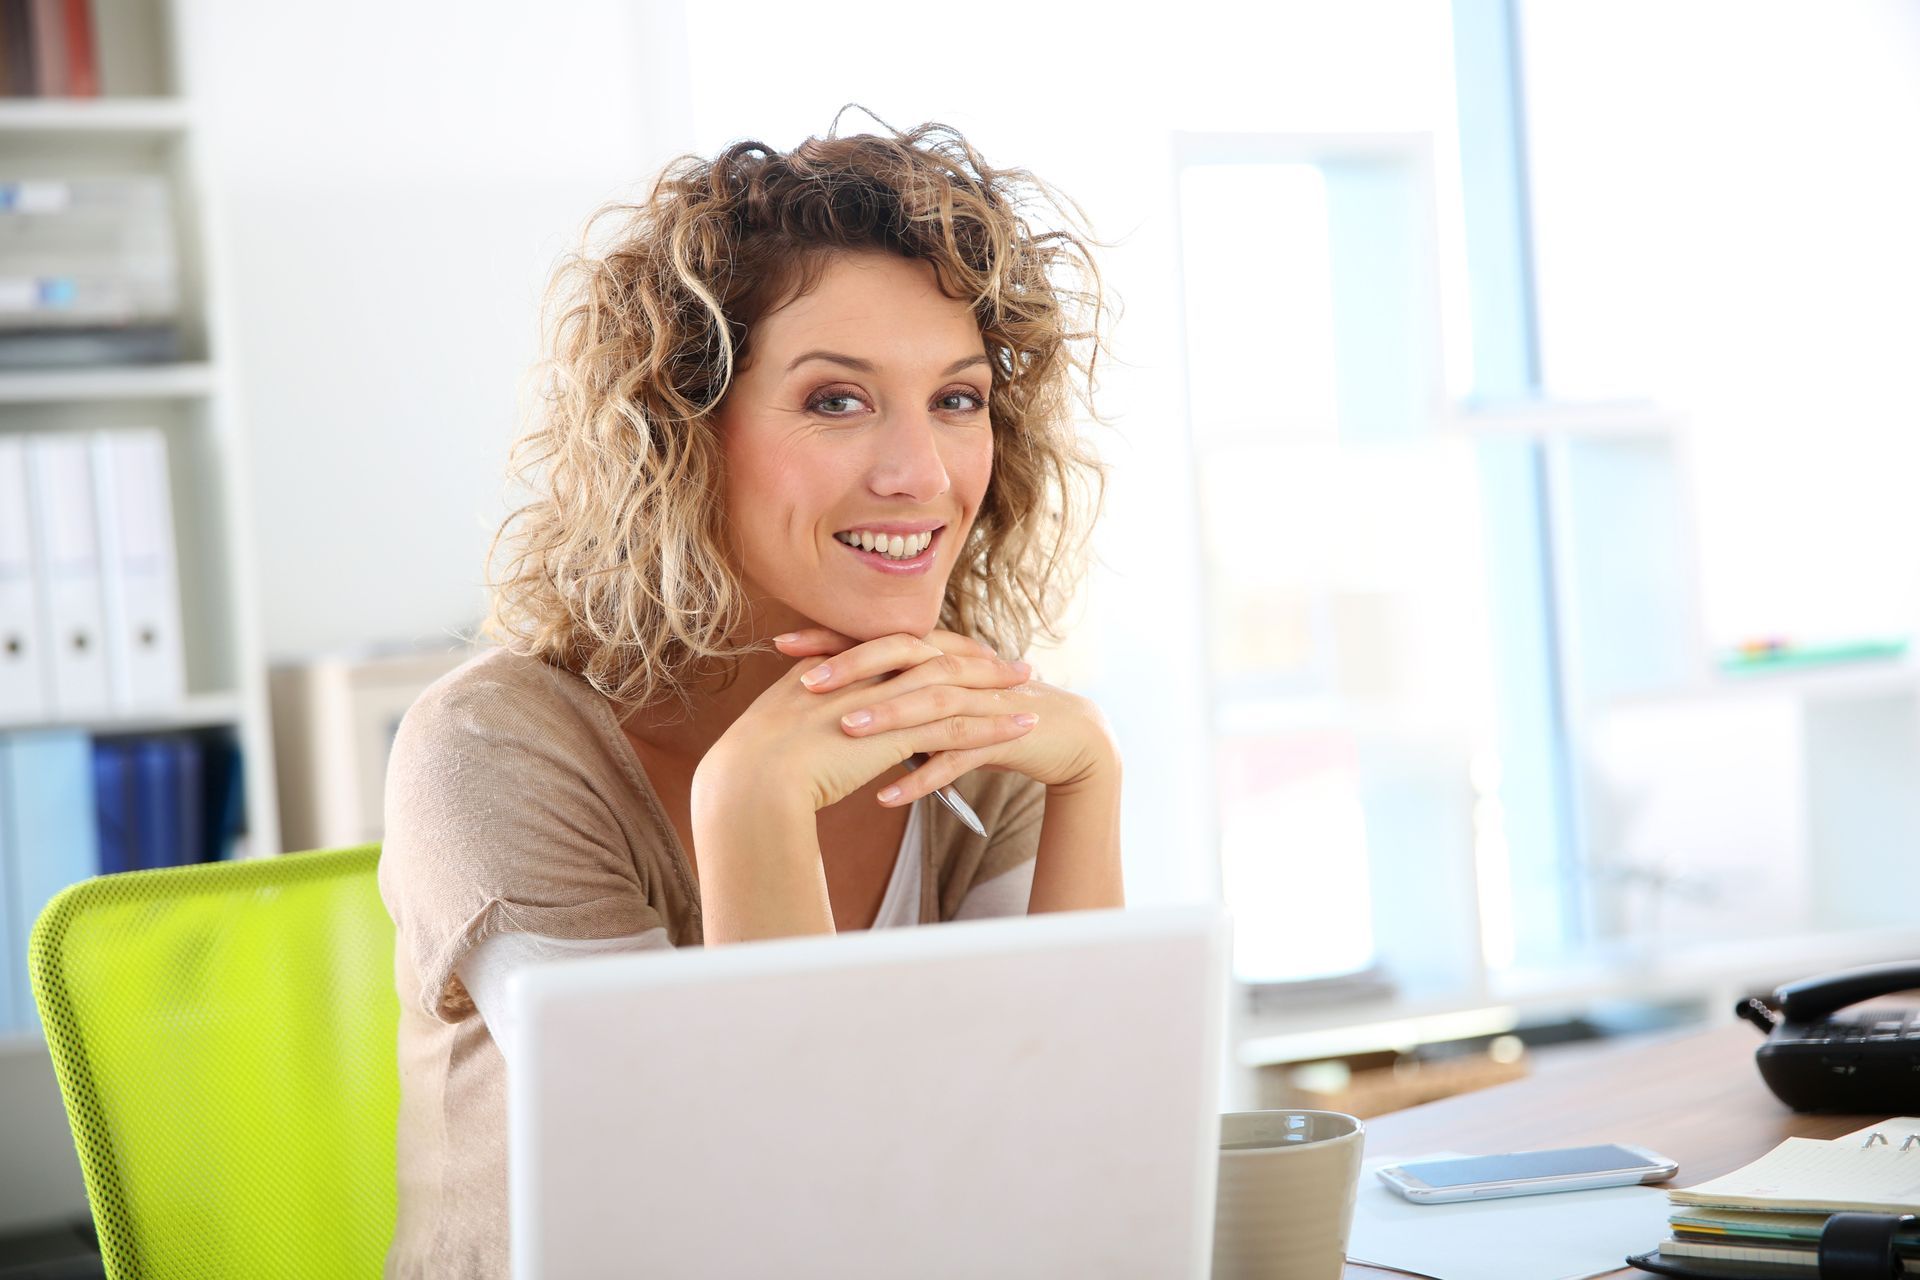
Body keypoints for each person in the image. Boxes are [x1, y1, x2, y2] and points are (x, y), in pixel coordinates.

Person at [375, 106, 1121, 1279]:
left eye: (958, 399)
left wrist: (1090, 783)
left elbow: (1068, 1176)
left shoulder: (969, 734)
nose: (920, 473)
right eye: (837, 399)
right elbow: (761, 1226)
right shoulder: (496, 745)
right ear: (681, 430)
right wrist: (751, 804)